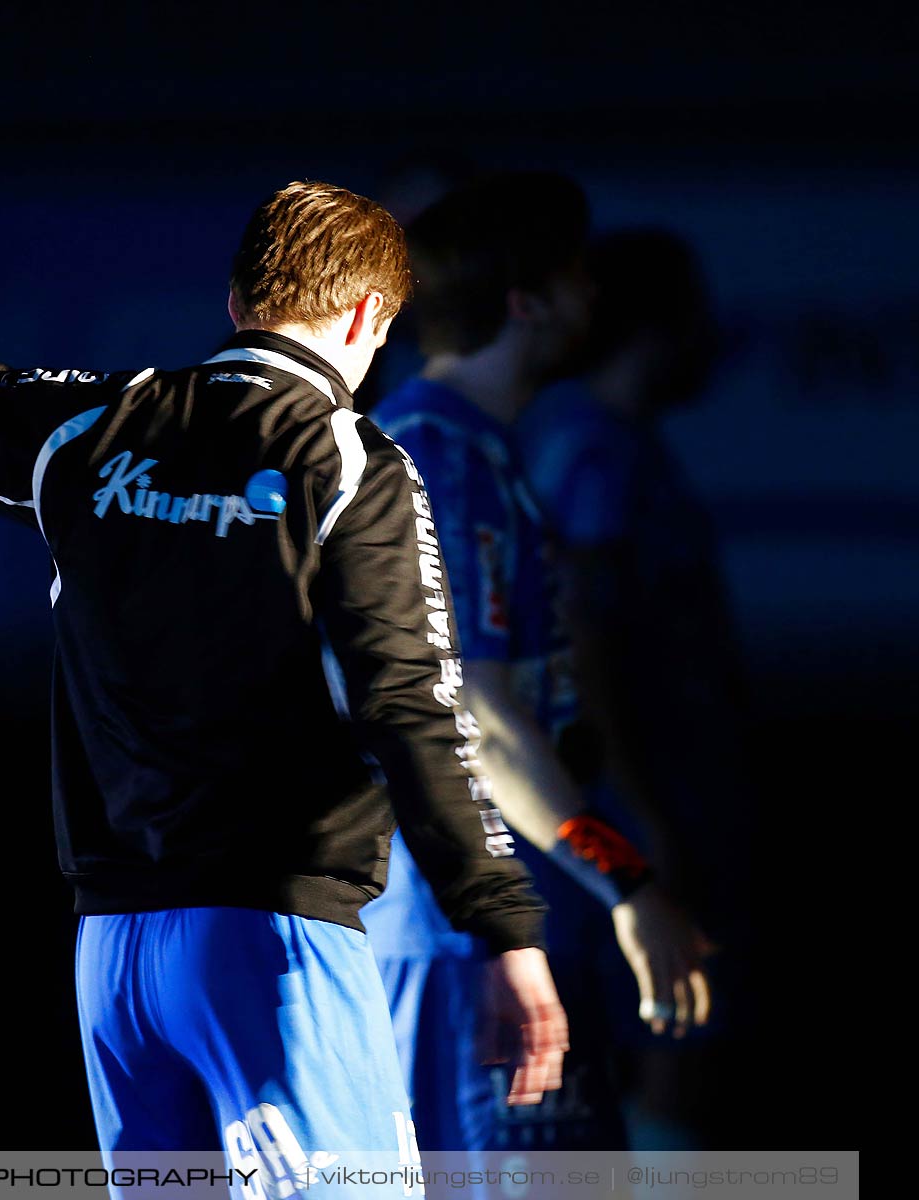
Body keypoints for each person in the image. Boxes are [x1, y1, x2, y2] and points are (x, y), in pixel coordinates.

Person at [0, 98, 563, 1192]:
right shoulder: (355, 462)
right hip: (278, 942)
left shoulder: (91, 428)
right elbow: (412, 705)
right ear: (364, 323)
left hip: (113, 961)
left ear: (238, 299)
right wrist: (506, 925)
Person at [363, 176, 714, 1156]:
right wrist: (631, 885)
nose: (593, 298)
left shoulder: (467, 447)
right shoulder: (443, 458)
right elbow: (483, 722)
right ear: (528, 302)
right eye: (575, 276)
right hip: (470, 936)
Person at [516, 229, 750, 1143]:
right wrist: (640, 816)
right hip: (635, 814)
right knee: (665, 1047)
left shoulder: (624, 447)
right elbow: (584, 632)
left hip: (674, 801)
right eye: (695, 311)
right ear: (659, 323)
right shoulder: (586, 449)